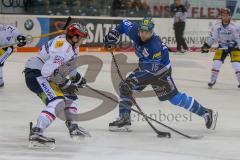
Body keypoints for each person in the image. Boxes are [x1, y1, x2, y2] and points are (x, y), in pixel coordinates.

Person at [104, 17, 218, 132]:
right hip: (145, 67)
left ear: (152, 32)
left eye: (147, 32)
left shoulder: (154, 46)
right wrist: (114, 33)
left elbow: (152, 72)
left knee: (174, 98)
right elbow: (124, 23)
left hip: (160, 71)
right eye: (142, 32)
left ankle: (205, 112)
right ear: (139, 30)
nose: (143, 35)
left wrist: (135, 81)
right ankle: (124, 119)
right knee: (125, 87)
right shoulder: (135, 30)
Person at [24, 23, 90, 147]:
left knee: (70, 96)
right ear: (75, 38)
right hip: (36, 73)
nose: (83, 41)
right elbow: (47, 72)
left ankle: (73, 126)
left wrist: (77, 79)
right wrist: (66, 83)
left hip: (45, 73)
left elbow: (68, 67)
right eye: (81, 38)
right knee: (57, 101)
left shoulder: (72, 45)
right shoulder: (61, 49)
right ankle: (37, 132)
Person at [201, 8, 240, 89]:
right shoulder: (217, 26)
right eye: (223, 15)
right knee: (216, 63)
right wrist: (207, 45)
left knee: (236, 65)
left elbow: (238, 38)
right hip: (222, 46)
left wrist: (233, 45)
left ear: (229, 16)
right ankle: (212, 80)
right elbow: (212, 37)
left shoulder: (235, 26)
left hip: (234, 47)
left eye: (226, 15)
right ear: (221, 16)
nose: (225, 17)